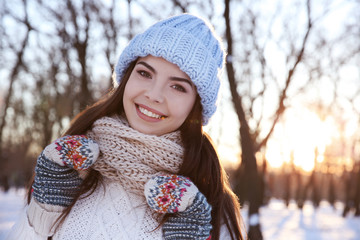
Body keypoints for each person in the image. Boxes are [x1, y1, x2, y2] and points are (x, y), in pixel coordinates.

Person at [7, 14, 245, 240]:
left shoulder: (208, 205)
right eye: (144, 73)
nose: (154, 95)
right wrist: (41, 215)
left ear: (196, 106)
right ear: (127, 78)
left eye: (178, 87)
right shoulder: (70, 167)